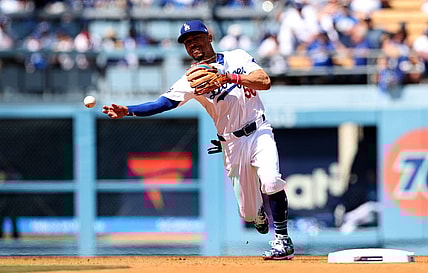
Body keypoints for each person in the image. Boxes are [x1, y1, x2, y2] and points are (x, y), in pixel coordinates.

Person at [102, 20, 294, 260]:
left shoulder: (238, 57)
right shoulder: (191, 79)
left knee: (272, 181)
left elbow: (264, 81)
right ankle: (256, 214)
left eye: (196, 38)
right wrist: (127, 110)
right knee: (246, 213)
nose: (192, 44)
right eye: (187, 42)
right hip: (232, 144)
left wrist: (228, 77)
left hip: (259, 131)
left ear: (209, 37)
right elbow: (161, 104)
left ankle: (283, 240)